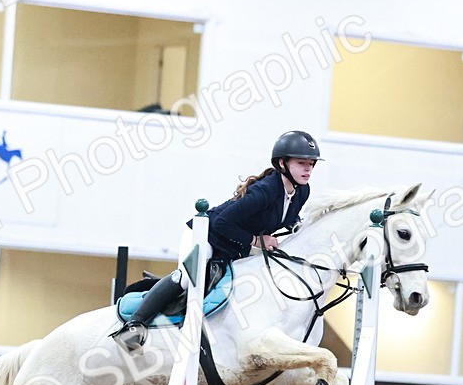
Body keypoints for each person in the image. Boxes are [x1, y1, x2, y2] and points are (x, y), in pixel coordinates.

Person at [111, 130, 321, 351]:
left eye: (311, 164)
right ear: (282, 163)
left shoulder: (302, 191)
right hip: (205, 234)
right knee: (186, 278)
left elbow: (287, 219)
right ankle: (134, 325)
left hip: (233, 244)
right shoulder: (265, 190)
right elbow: (222, 223)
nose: (308, 169)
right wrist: (257, 241)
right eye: (301, 163)